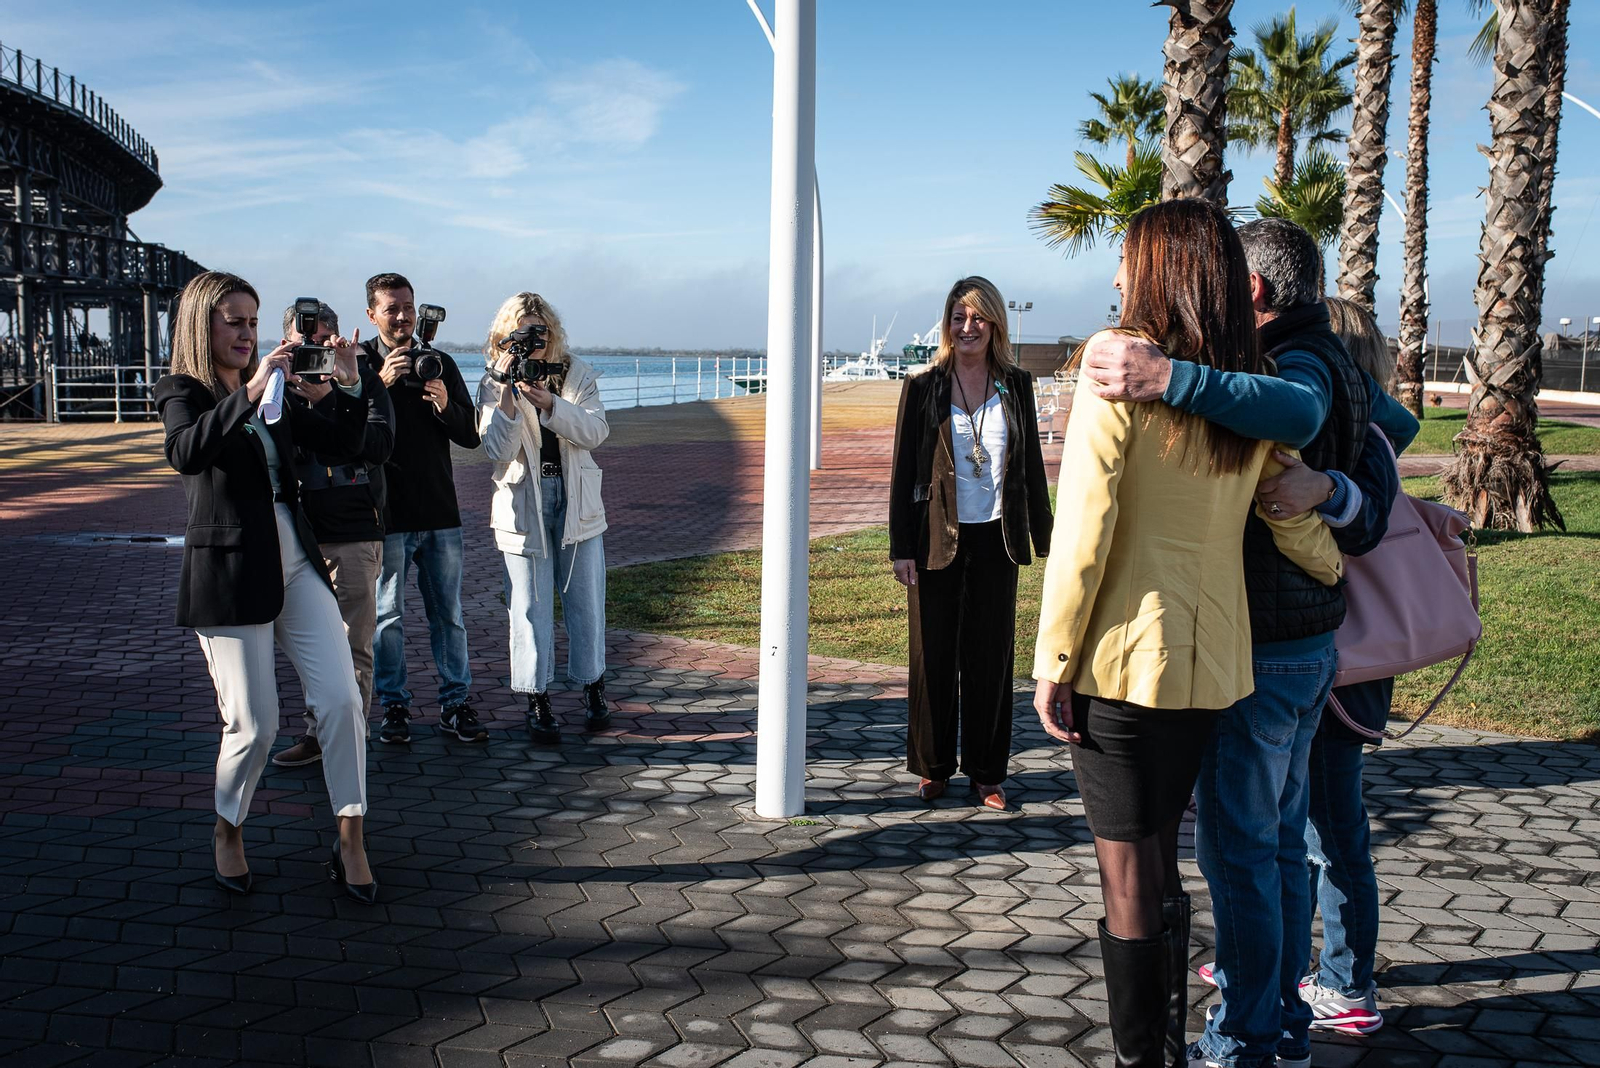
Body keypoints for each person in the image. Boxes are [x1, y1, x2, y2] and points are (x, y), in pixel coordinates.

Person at [1031, 201, 1344, 1068]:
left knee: (1130, 876)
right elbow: (1285, 506)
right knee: (1168, 861)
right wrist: (1332, 564)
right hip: (1212, 666)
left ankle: (1146, 1058)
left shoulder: (1121, 374)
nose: (1120, 276)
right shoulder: (1243, 393)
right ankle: (1171, 1049)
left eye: (1130, 259)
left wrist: (1053, 657)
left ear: (1158, 270)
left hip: (1123, 663)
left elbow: (1084, 532)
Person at [153, 271, 377, 903]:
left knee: (341, 702)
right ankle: (229, 827)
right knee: (255, 725)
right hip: (230, 573)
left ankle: (351, 838)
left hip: (296, 560)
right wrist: (250, 393)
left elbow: (345, 442)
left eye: (253, 322)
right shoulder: (183, 391)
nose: (248, 333)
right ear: (204, 325)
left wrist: (348, 384)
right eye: (235, 321)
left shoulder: (277, 395)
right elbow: (186, 453)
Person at [888, 276, 1053, 811]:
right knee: (932, 656)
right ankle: (933, 767)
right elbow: (904, 471)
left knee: (990, 659)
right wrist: (901, 546)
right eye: (958, 317)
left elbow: (1030, 470)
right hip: (936, 539)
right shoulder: (924, 387)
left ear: (996, 323)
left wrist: (1047, 539)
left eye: (978, 317)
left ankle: (987, 773)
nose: (967, 327)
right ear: (947, 324)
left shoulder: (1017, 385)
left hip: (996, 542)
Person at [475, 293, 611, 744]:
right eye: (523, 333)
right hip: (522, 503)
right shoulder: (494, 382)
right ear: (505, 337)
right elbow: (496, 450)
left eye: (541, 332)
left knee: (585, 601)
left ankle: (593, 686)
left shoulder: (577, 374)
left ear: (552, 334)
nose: (534, 343)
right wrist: (512, 400)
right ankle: (537, 698)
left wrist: (552, 403)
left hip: (576, 499)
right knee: (529, 607)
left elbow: (595, 432)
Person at [361, 273, 485, 745]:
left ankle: (456, 704)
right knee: (387, 617)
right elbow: (351, 436)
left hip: (439, 511)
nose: (402, 316)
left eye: (407, 306)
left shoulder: (439, 363)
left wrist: (446, 403)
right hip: (386, 515)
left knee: (448, 615)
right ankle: (394, 708)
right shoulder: (361, 365)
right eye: (391, 308)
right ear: (372, 314)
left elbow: (470, 435)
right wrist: (378, 384)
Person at [272, 301, 396, 768]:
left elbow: (380, 446)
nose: (316, 354)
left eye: (325, 343)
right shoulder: (278, 387)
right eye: (306, 344)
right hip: (296, 531)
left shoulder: (364, 382)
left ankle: (345, 742)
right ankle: (318, 730)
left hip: (353, 531)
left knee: (351, 645)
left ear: (340, 342)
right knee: (311, 645)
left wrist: (340, 392)